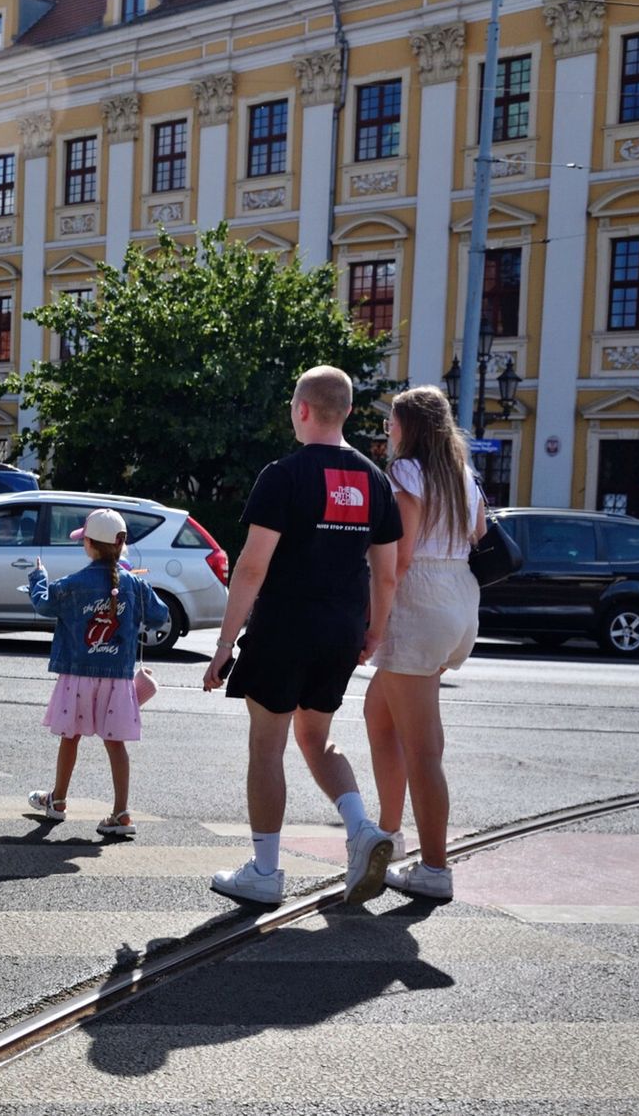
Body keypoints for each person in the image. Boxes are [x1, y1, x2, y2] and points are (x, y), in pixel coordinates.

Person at [202, 365, 402, 907]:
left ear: (302, 410)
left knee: (267, 747)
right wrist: (374, 631)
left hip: (284, 627)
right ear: (349, 413)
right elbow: (387, 572)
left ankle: (265, 872)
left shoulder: (283, 475)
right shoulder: (373, 480)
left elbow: (250, 568)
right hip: (342, 629)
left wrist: (223, 646)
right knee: (316, 738)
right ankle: (362, 830)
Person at [364, 385, 486, 902]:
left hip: (420, 602)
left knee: (423, 748)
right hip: (459, 598)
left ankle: (434, 867)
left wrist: (374, 626)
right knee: (379, 714)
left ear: (410, 427)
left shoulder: (407, 473)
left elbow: (402, 558)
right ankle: (388, 836)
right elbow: (478, 532)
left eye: (392, 422)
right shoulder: (462, 476)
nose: (388, 431)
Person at [25, 508, 170, 836]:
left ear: (88, 544)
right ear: (120, 546)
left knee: (70, 737)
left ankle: (58, 801)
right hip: (117, 679)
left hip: (78, 676)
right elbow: (159, 616)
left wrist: (37, 578)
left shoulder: (75, 583)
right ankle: (121, 814)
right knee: (115, 743)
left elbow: (44, 605)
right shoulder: (133, 584)